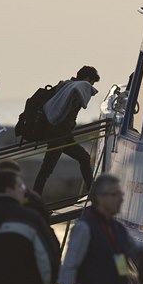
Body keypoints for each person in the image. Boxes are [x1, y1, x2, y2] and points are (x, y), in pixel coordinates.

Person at [58, 174, 135, 284]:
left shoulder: (118, 229)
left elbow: (136, 253)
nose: (120, 199)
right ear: (99, 198)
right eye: (114, 194)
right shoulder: (85, 228)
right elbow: (69, 267)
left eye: (121, 194)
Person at [33, 66, 100, 195]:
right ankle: (34, 200)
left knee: (84, 158)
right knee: (46, 170)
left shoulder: (66, 86)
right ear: (87, 79)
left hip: (62, 134)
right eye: (91, 82)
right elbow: (67, 114)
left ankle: (92, 191)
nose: (90, 86)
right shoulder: (77, 89)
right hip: (58, 135)